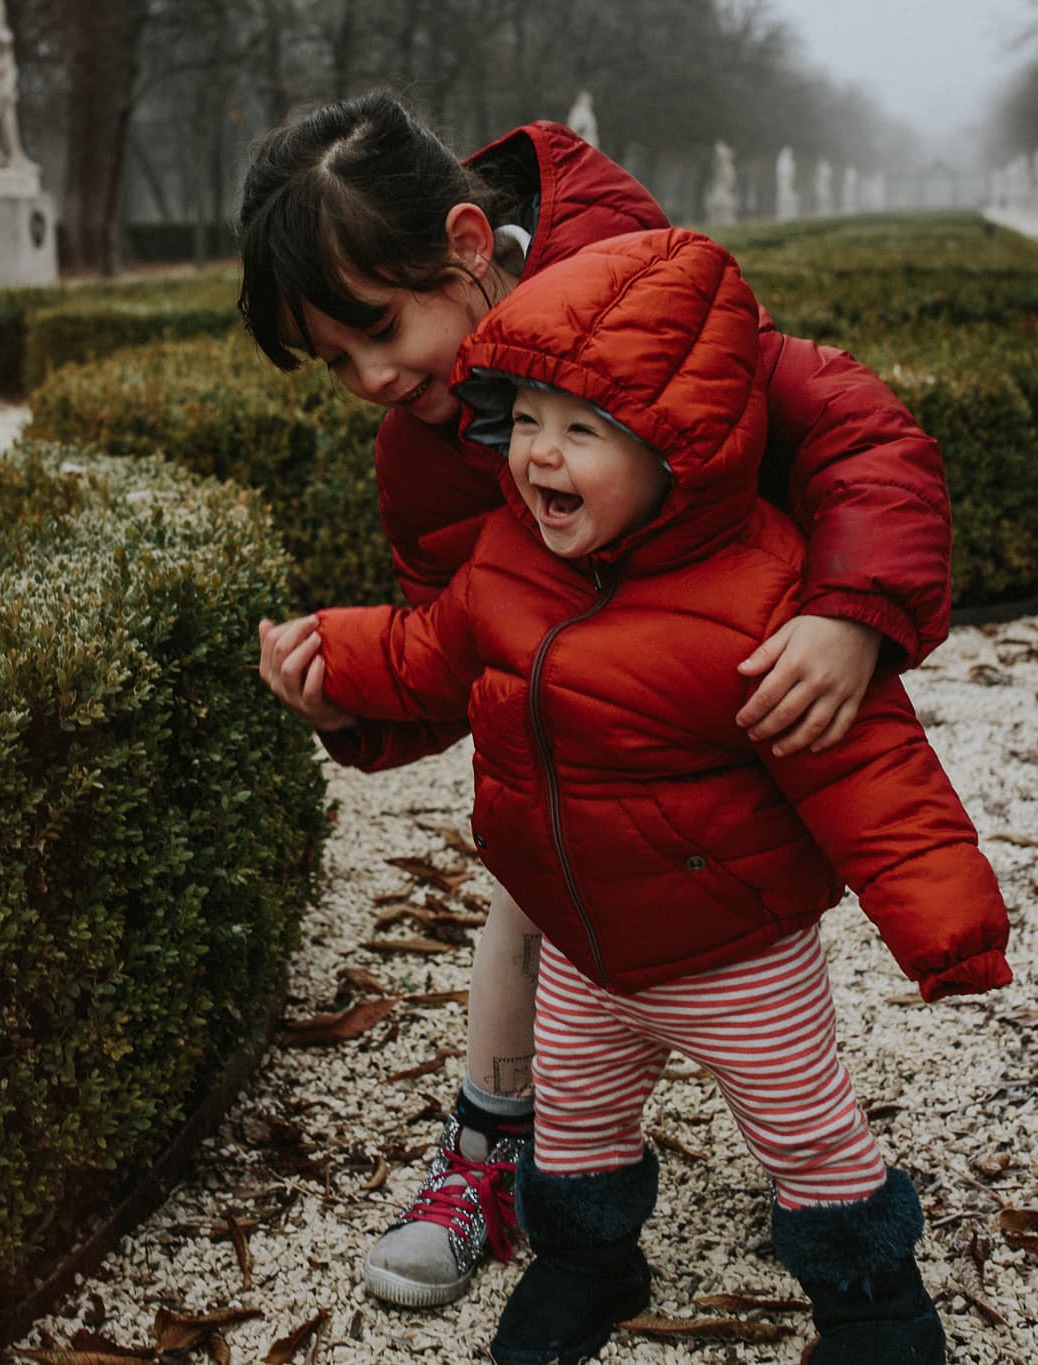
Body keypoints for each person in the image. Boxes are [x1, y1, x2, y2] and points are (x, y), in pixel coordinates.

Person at [237, 91, 958, 1311]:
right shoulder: (420, 440)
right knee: (535, 879)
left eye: (374, 328)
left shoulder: (645, 295)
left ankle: (836, 1215)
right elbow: (456, 650)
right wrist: (347, 703)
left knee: (758, 983)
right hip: (583, 745)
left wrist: (847, 613)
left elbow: (859, 439)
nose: (365, 377)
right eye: (331, 359)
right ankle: (501, 1165)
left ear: (469, 245)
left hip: (728, 706)